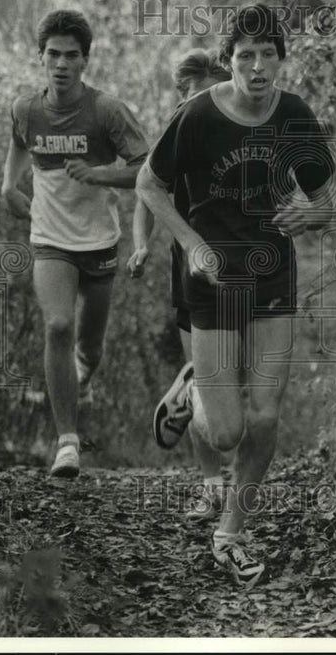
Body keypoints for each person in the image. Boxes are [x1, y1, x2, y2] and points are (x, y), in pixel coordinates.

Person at [136, 4, 336, 589]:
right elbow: (150, 184)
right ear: (229, 62)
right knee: (224, 432)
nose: (256, 66)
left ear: (280, 60)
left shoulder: (295, 116)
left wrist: (312, 212)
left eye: (267, 54)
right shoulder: (197, 116)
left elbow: (323, 198)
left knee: (266, 416)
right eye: (244, 56)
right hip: (215, 282)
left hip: (273, 277)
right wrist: (193, 245)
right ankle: (197, 385)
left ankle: (231, 535)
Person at [1, 9, 148, 478]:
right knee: (58, 326)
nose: (61, 64)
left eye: (71, 55)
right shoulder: (27, 108)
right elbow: (19, 141)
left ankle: (81, 375)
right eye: (53, 55)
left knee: (90, 348)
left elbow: (148, 171)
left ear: (85, 60)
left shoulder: (107, 111)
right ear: (40, 57)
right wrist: (9, 184)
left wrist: (100, 172)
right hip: (49, 239)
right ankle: (68, 442)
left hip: (100, 242)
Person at [126, 49, 234, 521]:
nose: (199, 105)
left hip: (240, 257)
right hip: (189, 260)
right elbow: (146, 191)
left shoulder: (239, 128)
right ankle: (212, 486)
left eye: (211, 94)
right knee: (201, 371)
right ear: (181, 96)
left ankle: (193, 385)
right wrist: (141, 245)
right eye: (192, 96)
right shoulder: (176, 130)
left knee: (238, 369)